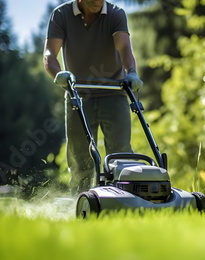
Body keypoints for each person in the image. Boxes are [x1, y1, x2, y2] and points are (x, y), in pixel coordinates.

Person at [43, 0, 143, 193]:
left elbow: (124, 48)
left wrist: (131, 72)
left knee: (121, 155)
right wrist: (58, 74)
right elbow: (50, 54)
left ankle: (124, 199)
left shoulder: (115, 14)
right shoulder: (61, 14)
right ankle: (81, 205)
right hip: (78, 95)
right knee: (81, 161)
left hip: (114, 93)